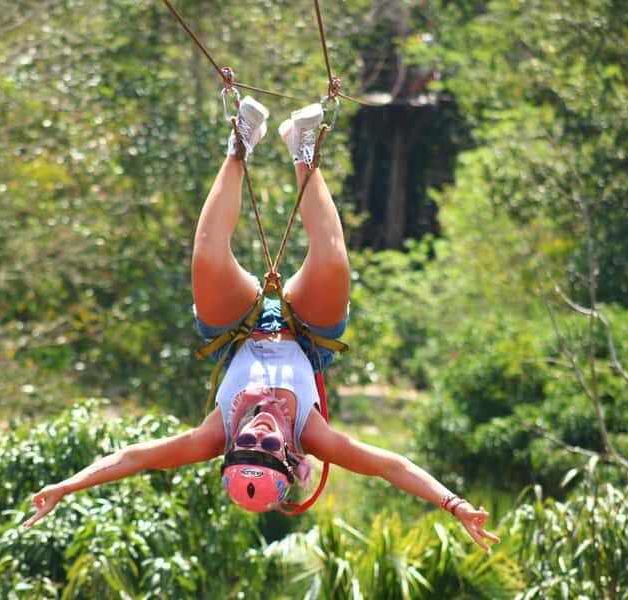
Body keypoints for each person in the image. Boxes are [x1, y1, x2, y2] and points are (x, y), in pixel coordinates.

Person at [24, 96, 500, 552]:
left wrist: (67, 486)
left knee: (207, 257)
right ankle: (302, 151)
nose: (257, 429)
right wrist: (453, 504)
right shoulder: (312, 435)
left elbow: (134, 458)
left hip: (235, 330)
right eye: (267, 442)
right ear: (289, 454)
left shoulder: (214, 434)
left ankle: (239, 146)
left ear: (231, 447)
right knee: (332, 261)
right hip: (308, 333)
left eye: (246, 440)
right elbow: (390, 466)